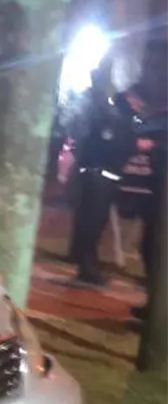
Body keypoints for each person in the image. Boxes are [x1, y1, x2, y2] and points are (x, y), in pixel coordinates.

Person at [69, 81, 146, 287]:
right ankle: (87, 268)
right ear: (131, 97)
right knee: (92, 225)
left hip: (101, 177)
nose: (140, 106)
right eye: (139, 101)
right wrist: (136, 145)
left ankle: (87, 266)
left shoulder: (120, 115)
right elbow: (116, 144)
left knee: (94, 224)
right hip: (99, 178)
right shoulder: (116, 116)